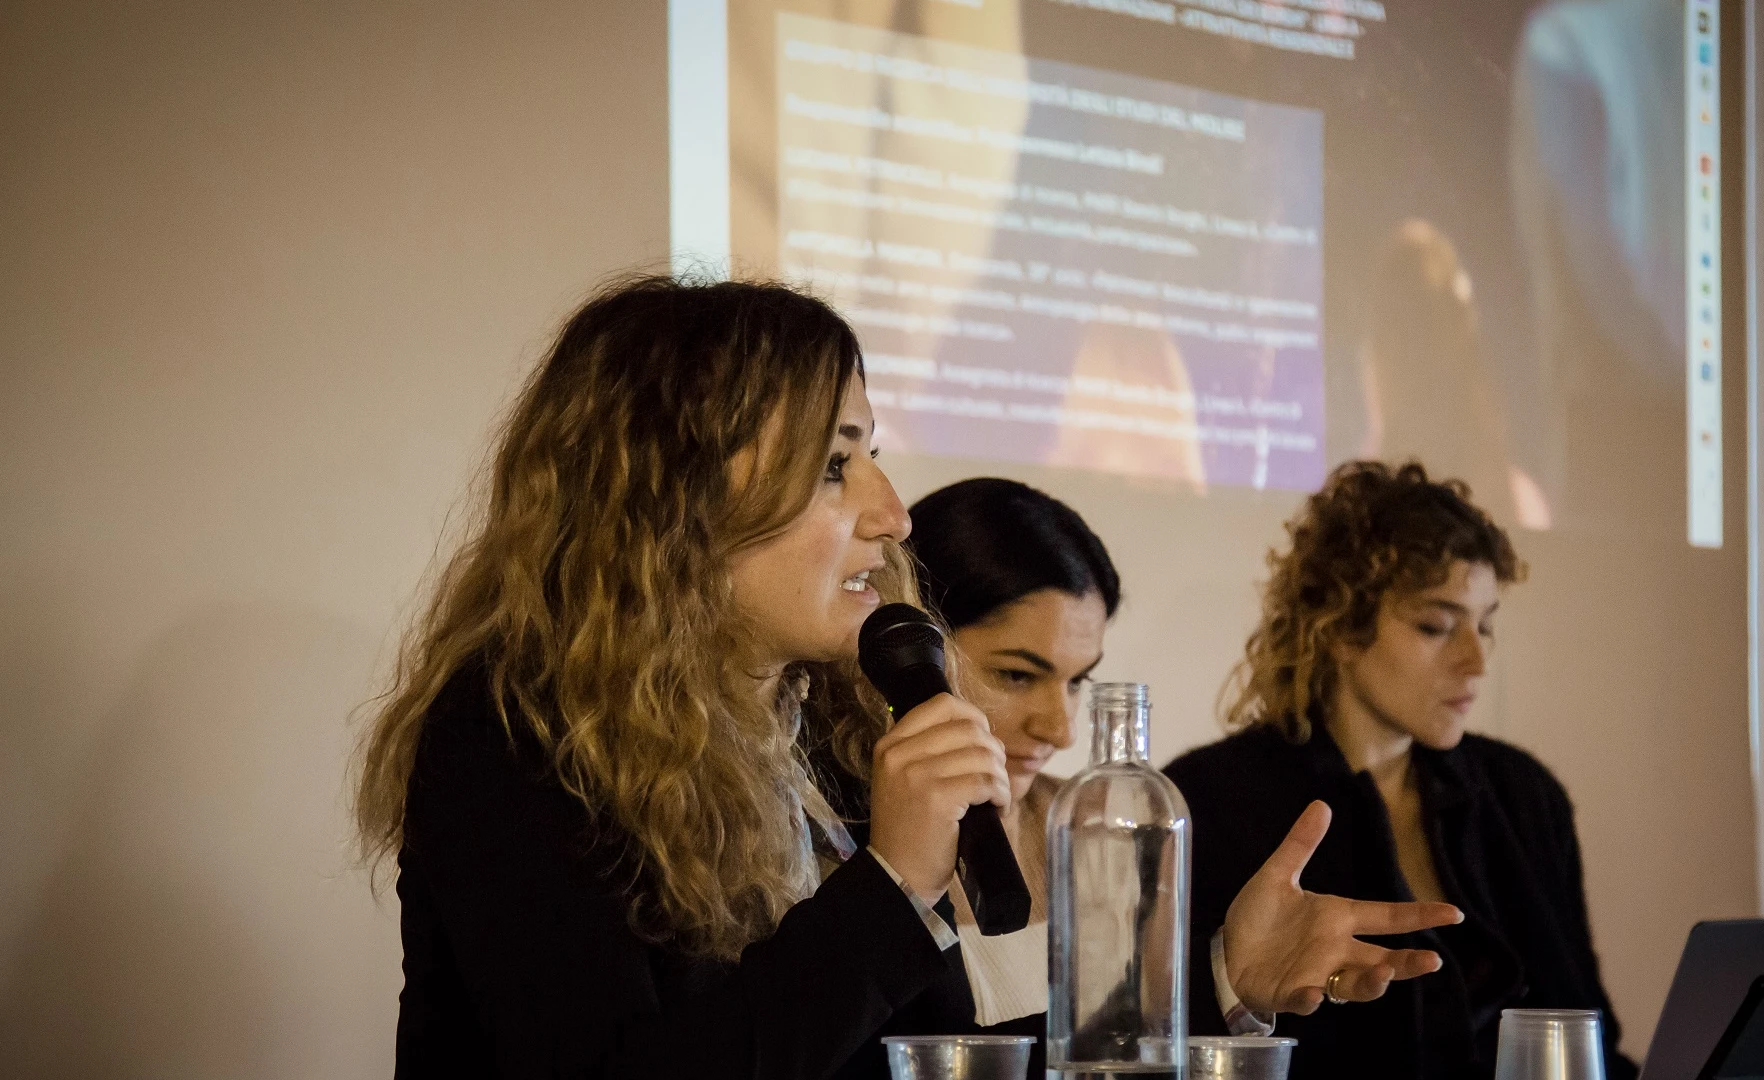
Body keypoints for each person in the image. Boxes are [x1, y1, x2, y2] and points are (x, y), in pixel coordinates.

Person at [355, 276, 1459, 1080]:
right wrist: (885, 887)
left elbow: (933, 1064)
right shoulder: (515, 736)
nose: (889, 514)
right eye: (837, 462)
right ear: (675, 492)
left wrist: (1226, 980)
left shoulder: (812, 736)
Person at [904, 476, 1463, 1066]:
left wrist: (1227, 977)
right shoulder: (837, 835)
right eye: (1016, 676)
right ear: (911, 650)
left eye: (1078, 681)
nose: (1061, 729)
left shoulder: (1087, 824)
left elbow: (1109, 1050)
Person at [1164, 460, 1639, 1080]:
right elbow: (1163, 1045)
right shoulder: (1210, 799)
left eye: (1486, 624)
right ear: (1338, 625)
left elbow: (1589, 1036)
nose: (1476, 661)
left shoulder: (1523, 795)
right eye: (1435, 625)